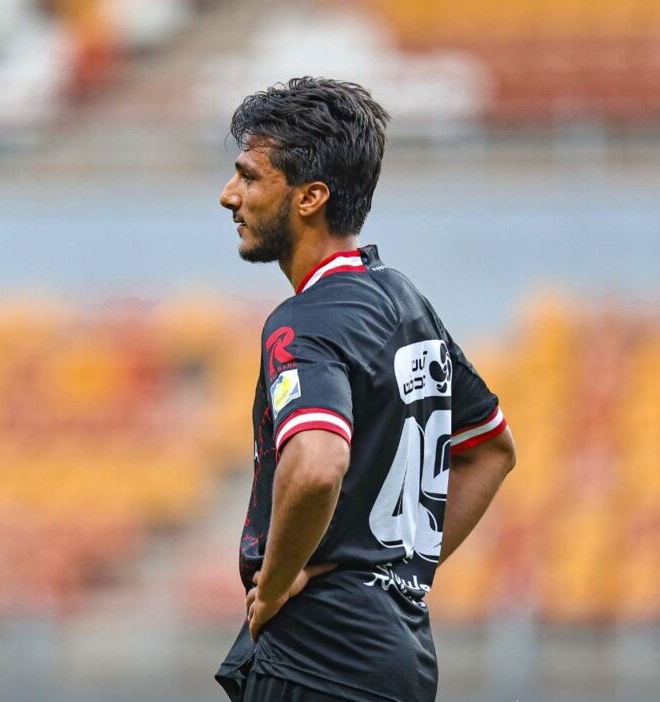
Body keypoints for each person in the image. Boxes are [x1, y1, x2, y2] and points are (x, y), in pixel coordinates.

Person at [213, 78, 517, 702]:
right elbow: (491, 450)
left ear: (310, 197)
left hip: (316, 658)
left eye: (248, 177)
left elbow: (318, 463)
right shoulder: (406, 304)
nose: (229, 195)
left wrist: (276, 584)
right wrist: (394, 573)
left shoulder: (304, 321)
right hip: (400, 656)